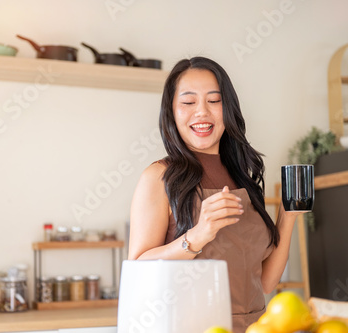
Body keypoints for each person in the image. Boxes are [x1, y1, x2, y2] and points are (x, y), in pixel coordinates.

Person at [128, 56, 305, 333]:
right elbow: (138, 269)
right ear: (172, 112)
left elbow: (266, 283)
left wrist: (289, 215)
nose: (202, 112)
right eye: (188, 102)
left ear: (229, 108)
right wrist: (197, 235)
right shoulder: (159, 177)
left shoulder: (243, 178)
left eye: (214, 100)